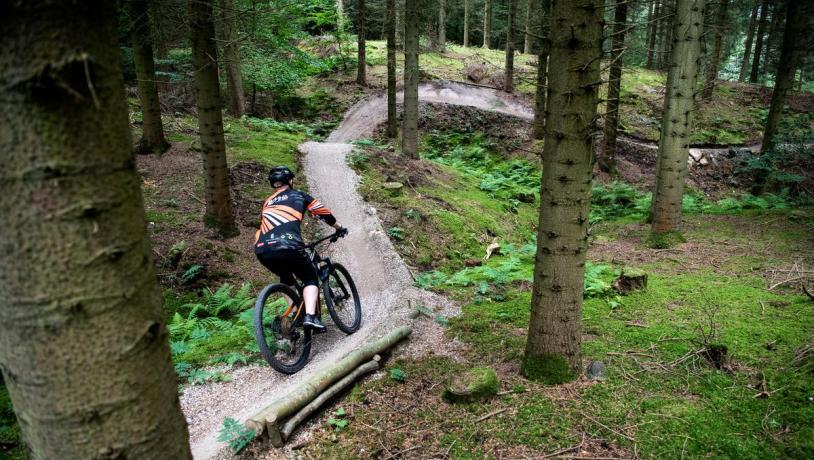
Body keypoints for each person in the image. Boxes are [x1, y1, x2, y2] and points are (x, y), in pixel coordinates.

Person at [254, 166, 346, 332]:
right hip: (288, 244)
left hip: (262, 249)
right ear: (290, 180)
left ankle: (294, 316)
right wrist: (338, 228)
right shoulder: (299, 195)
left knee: (286, 278)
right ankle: (310, 317)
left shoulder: (267, 203)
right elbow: (323, 212)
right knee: (310, 278)